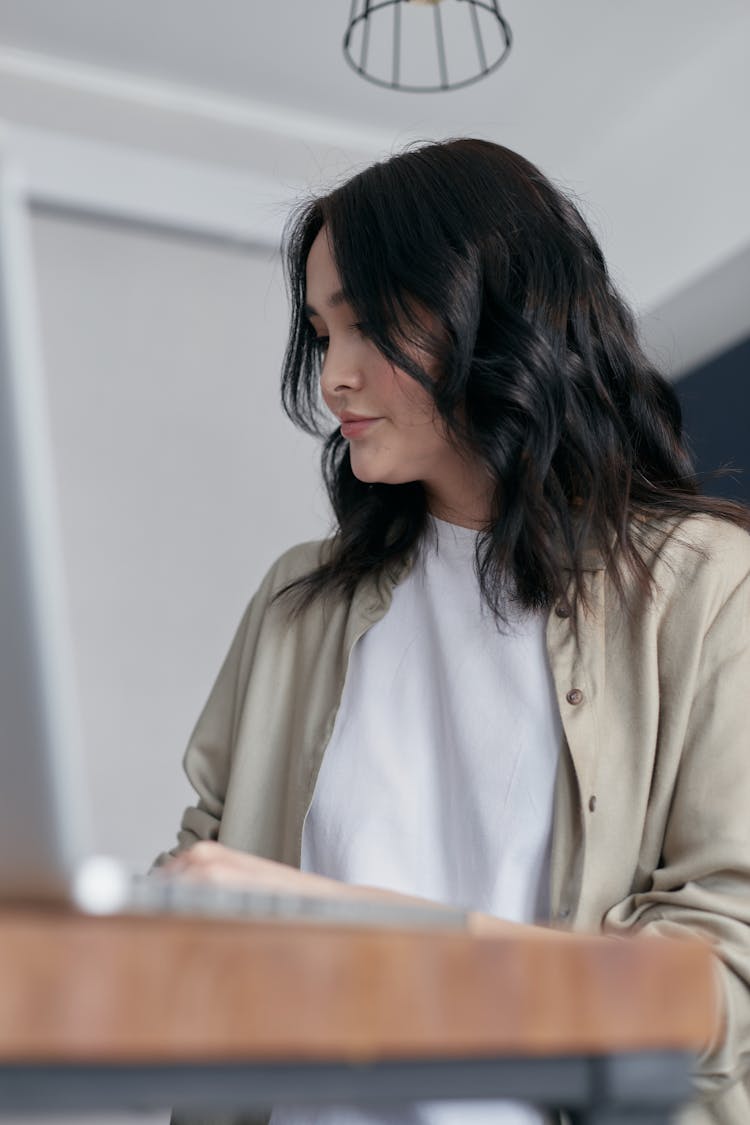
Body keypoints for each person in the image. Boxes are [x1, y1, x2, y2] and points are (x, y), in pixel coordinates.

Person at [156, 138, 750, 1125]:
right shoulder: (296, 602)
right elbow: (207, 899)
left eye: (370, 326)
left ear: (499, 314)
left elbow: (714, 995)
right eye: (320, 332)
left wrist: (332, 921)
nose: (334, 378)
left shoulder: (704, 589)